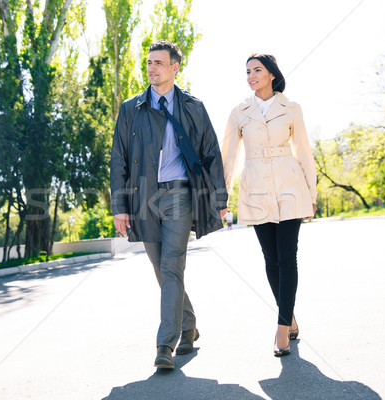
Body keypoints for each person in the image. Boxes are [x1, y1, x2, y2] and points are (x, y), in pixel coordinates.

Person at [110, 40, 228, 369]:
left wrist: (219, 199)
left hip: (180, 195)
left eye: (158, 63)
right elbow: (118, 157)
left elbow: (211, 154)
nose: (151, 68)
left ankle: (165, 345)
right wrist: (120, 205)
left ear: (175, 67)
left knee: (172, 267)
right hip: (143, 195)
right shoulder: (132, 108)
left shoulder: (193, 106)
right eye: (148, 62)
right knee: (160, 270)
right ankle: (188, 324)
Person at [221, 53, 317, 357]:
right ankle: (289, 317)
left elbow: (304, 151)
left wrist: (311, 195)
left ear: (272, 74)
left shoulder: (292, 108)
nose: (250, 76)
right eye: (247, 71)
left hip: (290, 187)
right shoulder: (239, 112)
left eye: (257, 70)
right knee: (271, 259)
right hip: (256, 190)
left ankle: (280, 327)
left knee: (288, 257)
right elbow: (228, 157)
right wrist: (222, 198)